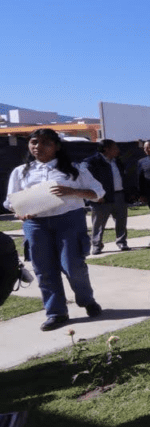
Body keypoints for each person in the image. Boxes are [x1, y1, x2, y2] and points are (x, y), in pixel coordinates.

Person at [4, 128, 104, 330]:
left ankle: (87, 300)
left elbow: (99, 193)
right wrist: (20, 211)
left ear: (57, 146)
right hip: (36, 225)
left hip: (68, 221)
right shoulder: (21, 171)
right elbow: (10, 201)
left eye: (45, 143)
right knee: (44, 269)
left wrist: (72, 191)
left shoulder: (75, 169)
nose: (38, 147)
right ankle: (56, 313)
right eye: (34, 142)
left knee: (73, 266)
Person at [83, 139, 131, 254]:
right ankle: (96, 245)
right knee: (98, 223)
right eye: (115, 148)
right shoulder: (92, 162)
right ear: (106, 149)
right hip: (101, 198)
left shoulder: (117, 161)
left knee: (121, 220)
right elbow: (88, 181)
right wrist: (95, 196)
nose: (118, 150)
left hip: (119, 195)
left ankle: (122, 242)